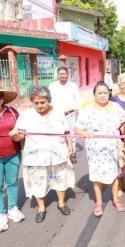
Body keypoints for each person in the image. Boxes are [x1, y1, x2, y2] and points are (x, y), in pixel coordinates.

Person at [10, 86, 75, 223]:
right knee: (38, 181)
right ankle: (41, 208)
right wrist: (15, 136)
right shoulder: (26, 116)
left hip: (58, 153)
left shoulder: (58, 112)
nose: (40, 106)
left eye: (43, 102)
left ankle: (61, 203)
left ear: (48, 101)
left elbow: (66, 131)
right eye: (36, 103)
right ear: (32, 102)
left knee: (60, 178)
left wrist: (69, 145)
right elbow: (19, 136)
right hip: (36, 157)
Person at [75, 82, 125, 216]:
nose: (103, 95)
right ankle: (98, 202)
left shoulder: (116, 107)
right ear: (94, 95)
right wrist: (85, 133)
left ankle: (116, 199)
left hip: (113, 146)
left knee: (115, 173)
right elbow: (77, 129)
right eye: (99, 93)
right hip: (95, 149)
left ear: (109, 94)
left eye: (105, 93)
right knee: (97, 175)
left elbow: (123, 123)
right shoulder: (87, 110)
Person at [0, 88, 25, 232]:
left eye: (0, 96)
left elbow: (21, 130)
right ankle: (1, 213)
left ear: (3, 97)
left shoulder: (13, 112)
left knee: (13, 182)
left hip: (13, 153)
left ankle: (12, 209)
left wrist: (19, 136)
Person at [49, 67, 81, 164]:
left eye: (64, 73)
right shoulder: (52, 86)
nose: (62, 75)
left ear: (67, 75)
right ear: (57, 75)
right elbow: (48, 99)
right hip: (56, 115)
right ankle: (60, 154)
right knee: (58, 133)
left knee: (71, 135)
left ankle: (72, 153)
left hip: (69, 114)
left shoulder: (73, 86)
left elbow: (78, 100)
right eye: (60, 74)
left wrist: (73, 109)